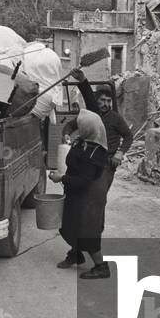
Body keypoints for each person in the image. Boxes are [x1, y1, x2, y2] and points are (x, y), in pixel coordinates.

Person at [48, 109, 112, 279]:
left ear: (88, 129)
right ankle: (76, 254)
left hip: (89, 196)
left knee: (87, 231)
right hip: (76, 193)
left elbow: (84, 181)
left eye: (80, 125)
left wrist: (61, 178)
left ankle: (101, 267)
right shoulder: (85, 141)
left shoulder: (95, 153)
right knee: (70, 224)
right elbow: (70, 125)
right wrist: (66, 135)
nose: (77, 126)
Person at [70, 70, 134, 187]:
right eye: (103, 100)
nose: (106, 104)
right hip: (90, 158)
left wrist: (120, 153)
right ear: (97, 100)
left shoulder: (116, 118)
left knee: (99, 191)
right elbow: (71, 125)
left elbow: (128, 136)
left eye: (109, 101)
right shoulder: (91, 115)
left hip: (107, 163)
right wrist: (66, 136)